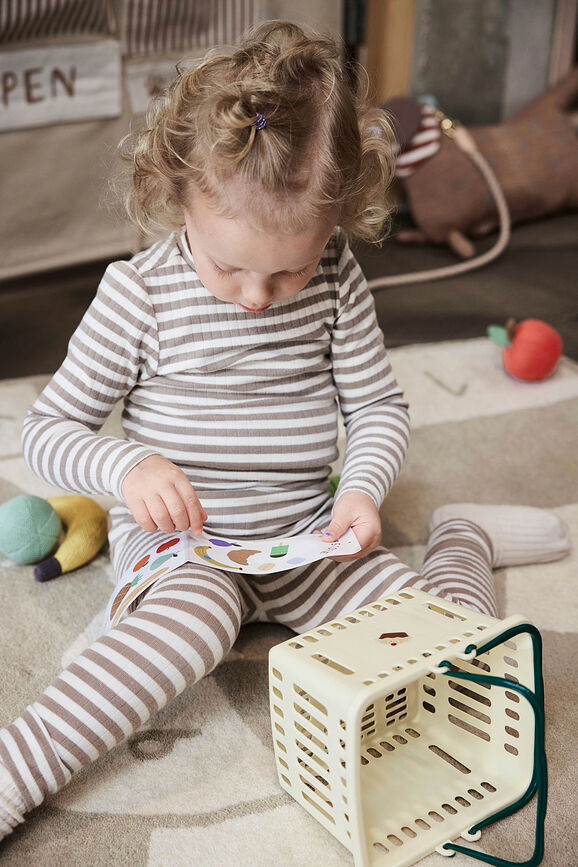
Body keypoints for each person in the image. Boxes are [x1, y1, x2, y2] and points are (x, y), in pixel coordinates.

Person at [0, 20, 569, 841]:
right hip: (186, 545)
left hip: (309, 535)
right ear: (177, 192)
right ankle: (16, 766)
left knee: (461, 653)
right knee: (184, 632)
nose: (260, 296)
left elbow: (377, 408)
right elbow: (49, 428)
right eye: (229, 267)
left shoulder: (337, 277)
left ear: (338, 220)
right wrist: (127, 467)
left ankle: (460, 540)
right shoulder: (138, 296)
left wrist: (365, 491)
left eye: (289, 267)